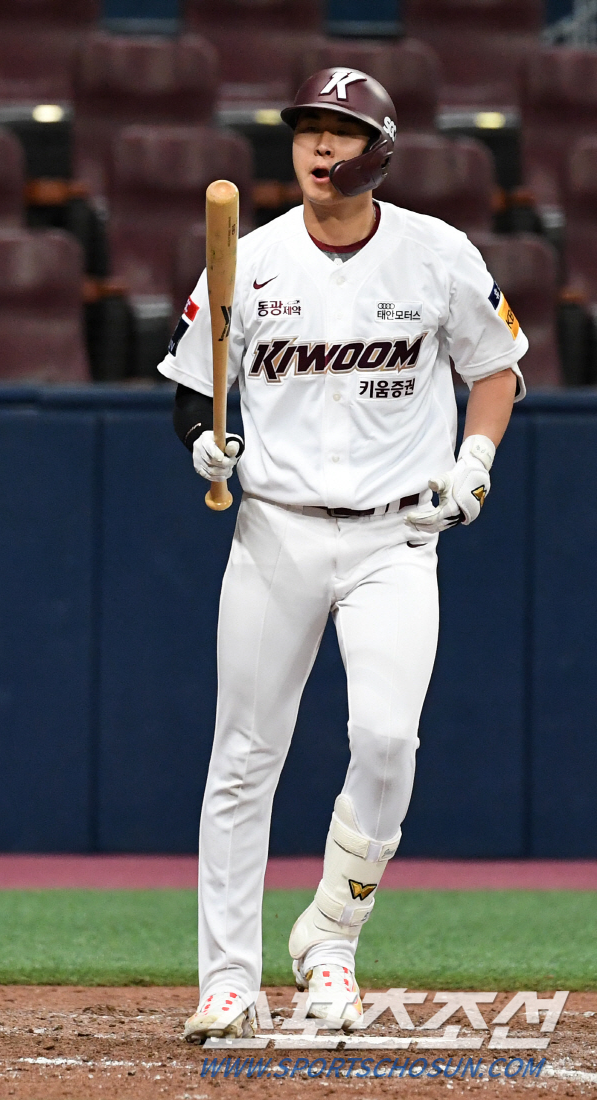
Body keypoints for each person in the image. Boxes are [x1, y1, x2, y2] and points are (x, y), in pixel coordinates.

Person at [160, 69, 526, 1041]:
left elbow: (497, 368)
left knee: (388, 738)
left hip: (397, 533)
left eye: (343, 131)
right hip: (275, 527)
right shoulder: (252, 257)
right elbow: (197, 385)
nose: (322, 147)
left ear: (381, 148)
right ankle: (228, 980)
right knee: (242, 757)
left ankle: (331, 936)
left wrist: (476, 460)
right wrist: (203, 439)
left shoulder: (434, 254)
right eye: (309, 129)